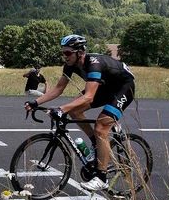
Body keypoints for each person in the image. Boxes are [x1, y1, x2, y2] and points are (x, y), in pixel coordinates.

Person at [24, 34, 136, 191]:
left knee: (101, 127)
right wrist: (35, 102)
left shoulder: (93, 64)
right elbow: (58, 89)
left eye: (68, 53)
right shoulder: (70, 65)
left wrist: (61, 109)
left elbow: (89, 96)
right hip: (103, 86)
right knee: (74, 111)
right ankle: (97, 144)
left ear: (80, 52)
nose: (65, 56)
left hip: (123, 87)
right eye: (63, 52)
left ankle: (101, 178)